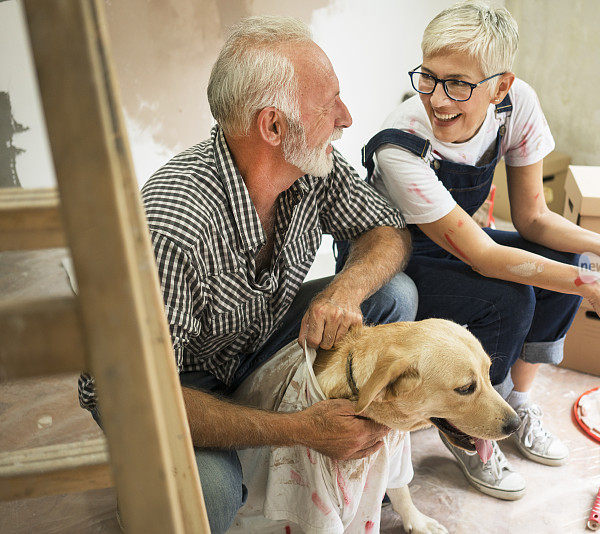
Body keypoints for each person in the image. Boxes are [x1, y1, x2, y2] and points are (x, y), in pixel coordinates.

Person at [77, 16, 417, 533]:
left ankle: (304, 448)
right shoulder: (174, 225)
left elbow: (387, 231)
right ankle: (155, 491)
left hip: (247, 344)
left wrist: (346, 289)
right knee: (209, 493)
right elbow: (135, 395)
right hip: (170, 386)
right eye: (329, 106)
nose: (346, 118)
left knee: (392, 296)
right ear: (274, 126)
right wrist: (297, 431)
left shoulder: (310, 167)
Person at [339, 1, 600, 501]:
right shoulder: (401, 145)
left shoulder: (518, 105)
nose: (438, 99)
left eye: (460, 85)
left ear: (501, 85)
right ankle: (472, 436)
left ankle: (518, 402)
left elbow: (533, 217)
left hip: (467, 241)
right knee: (512, 299)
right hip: (398, 258)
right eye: (429, 77)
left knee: (566, 266)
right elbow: (484, 258)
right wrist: (595, 287)